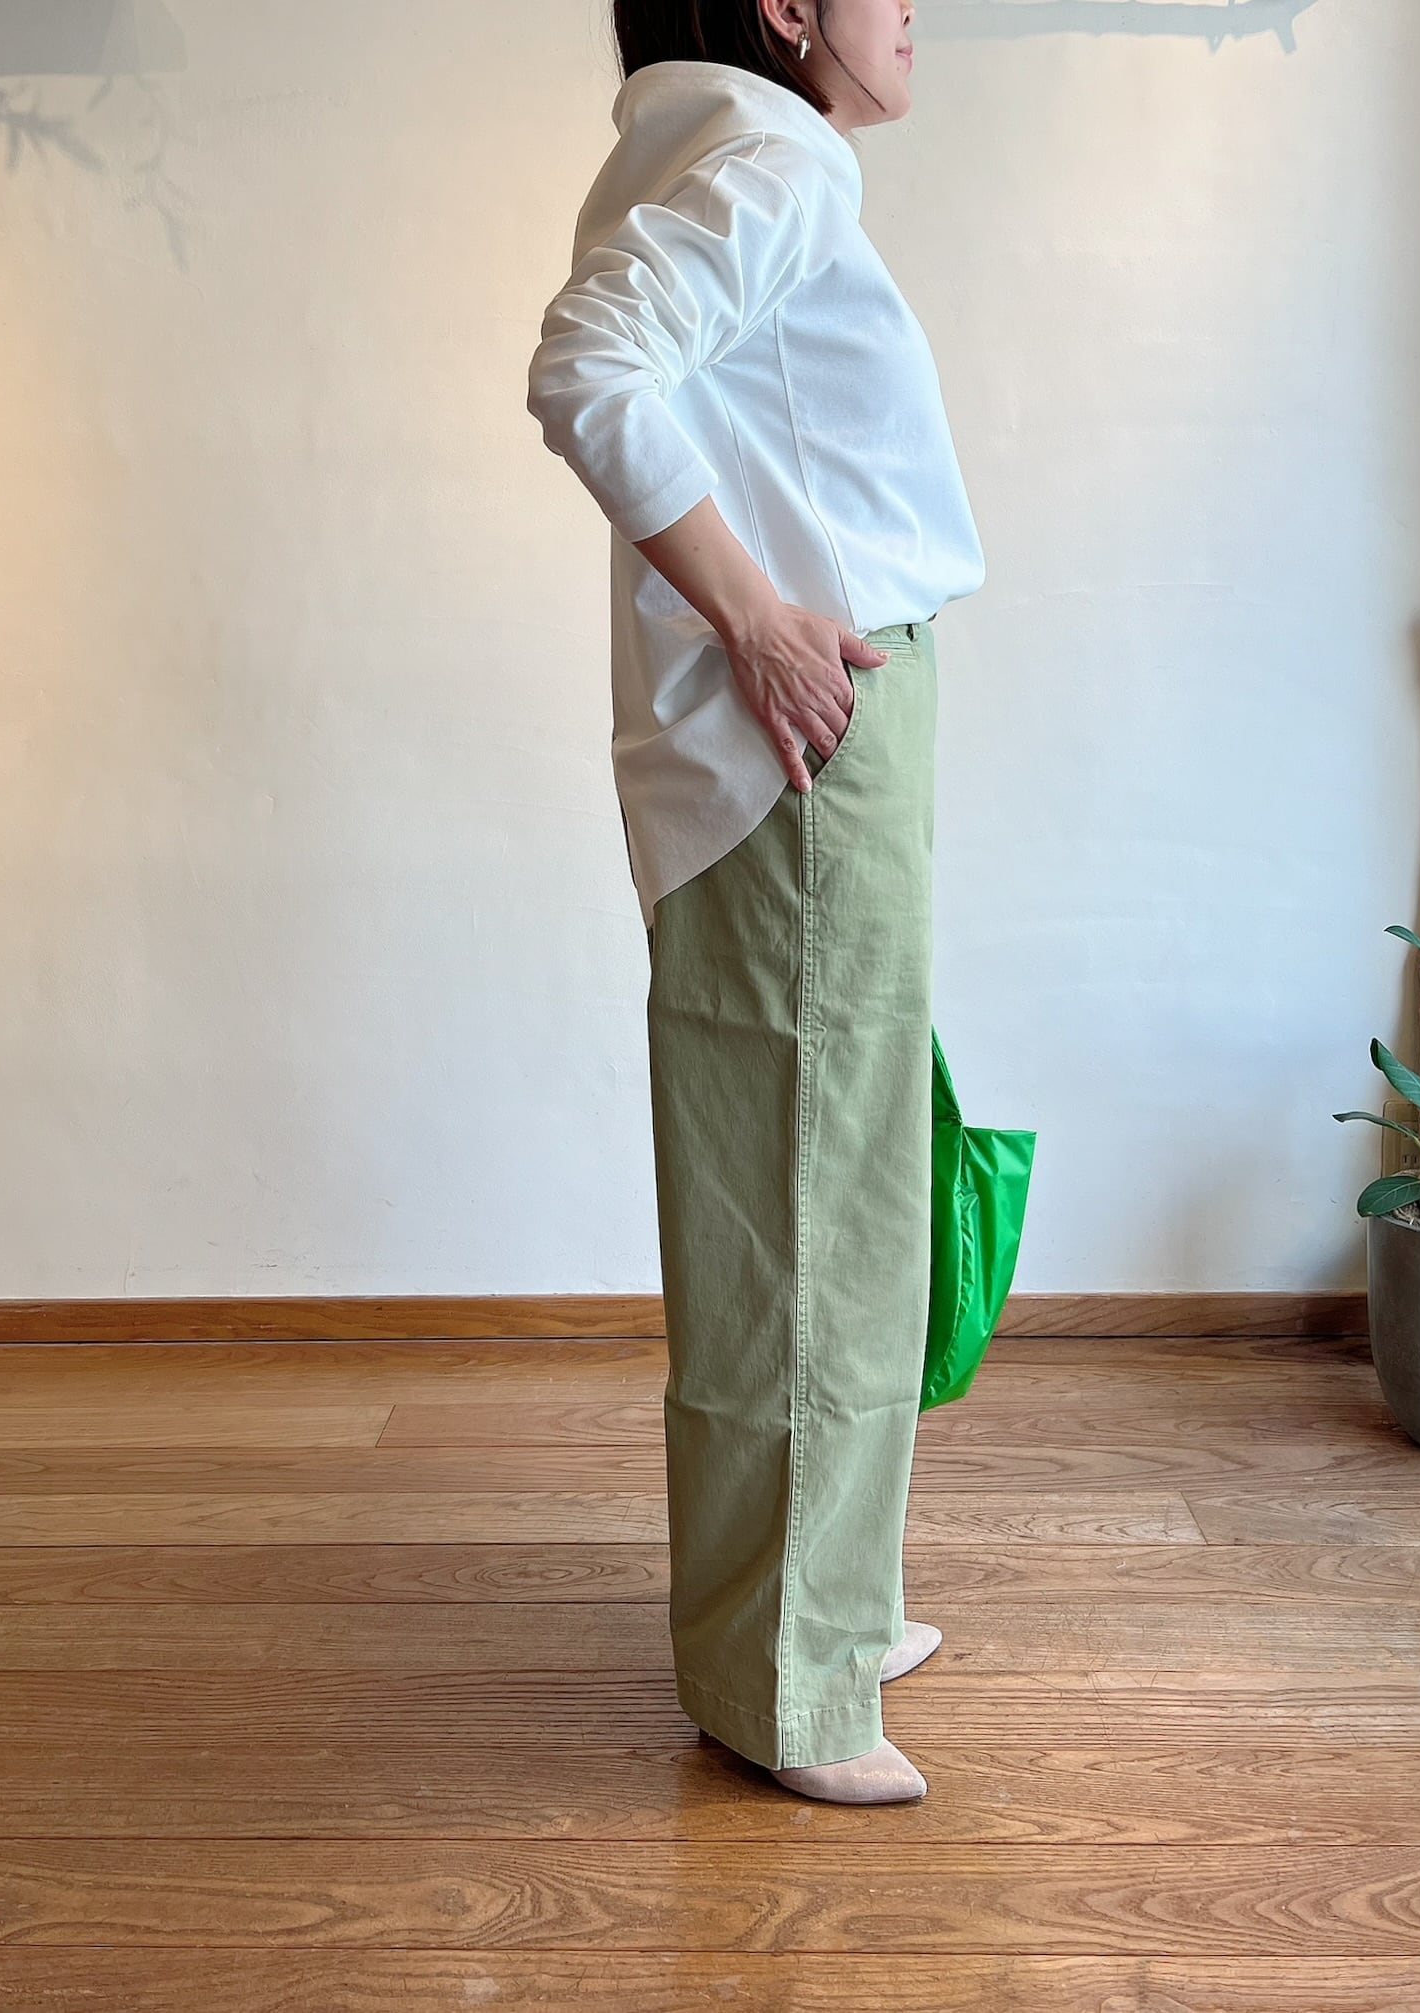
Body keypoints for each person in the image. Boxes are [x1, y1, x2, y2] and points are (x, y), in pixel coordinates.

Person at [526, 0, 986, 1805]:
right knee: (809, 1199)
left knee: (824, 1177)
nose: (912, 10)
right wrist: (762, 620)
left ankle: (823, 1604)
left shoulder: (712, 144)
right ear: (785, 5)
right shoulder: (775, 154)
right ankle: (792, 1675)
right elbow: (586, 368)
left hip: (793, 748)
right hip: (800, 749)